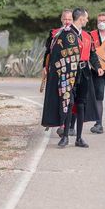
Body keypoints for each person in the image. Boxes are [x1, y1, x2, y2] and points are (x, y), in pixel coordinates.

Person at [41, 8, 103, 148]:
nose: (87, 20)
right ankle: (65, 136)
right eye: (86, 18)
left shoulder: (87, 36)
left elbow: (92, 54)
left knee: (81, 104)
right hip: (68, 73)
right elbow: (53, 54)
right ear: (81, 19)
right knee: (68, 103)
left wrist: (97, 66)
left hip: (83, 72)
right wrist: (48, 69)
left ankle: (79, 138)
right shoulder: (64, 34)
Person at [42, 9, 77, 137]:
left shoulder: (74, 34)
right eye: (65, 19)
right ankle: (53, 122)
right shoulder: (54, 33)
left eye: (69, 19)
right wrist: (44, 67)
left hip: (68, 73)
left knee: (68, 99)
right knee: (54, 98)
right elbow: (48, 52)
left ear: (73, 20)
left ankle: (64, 126)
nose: (67, 22)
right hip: (53, 71)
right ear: (61, 19)